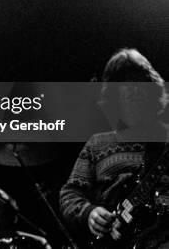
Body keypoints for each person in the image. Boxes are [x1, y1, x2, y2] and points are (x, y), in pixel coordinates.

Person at [59, 48, 169, 247]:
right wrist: (90, 213)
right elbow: (70, 194)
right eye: (124, 86)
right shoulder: (97, 143)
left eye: (138, 84)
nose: (132, 91)